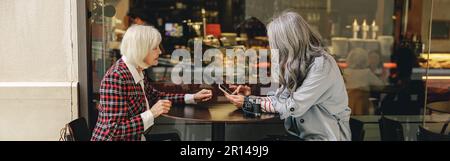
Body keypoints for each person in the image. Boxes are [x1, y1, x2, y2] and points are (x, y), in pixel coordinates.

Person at [225, 11, 352, 141]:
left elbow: (292, 106)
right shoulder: (296, 63)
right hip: (303, 136)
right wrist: (250, 98)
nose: (271, 47)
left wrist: (248, 103)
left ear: (287, 43)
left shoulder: (322, 65)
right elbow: (280, 99)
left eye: (274, 43)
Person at [91, 25, 212, 141]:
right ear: (140, 49)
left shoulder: (137, 69)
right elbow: (114, 130)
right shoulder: (116, 77)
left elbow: (156, 96)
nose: (160, 52)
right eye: (155, 48)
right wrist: (152, 113)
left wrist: (193, 97)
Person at [344, 48, 384, 115]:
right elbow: (381, 86)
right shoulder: (367, 73)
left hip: (346, 109)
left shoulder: (345, 73)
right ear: (365, 60)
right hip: (363, 110)